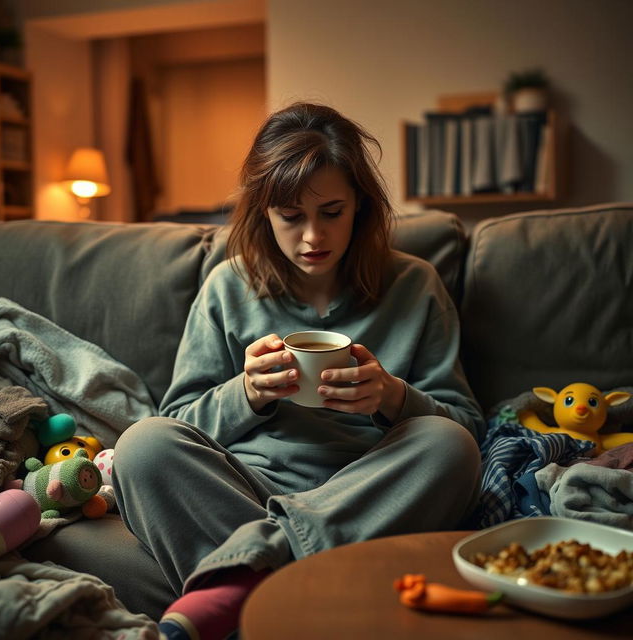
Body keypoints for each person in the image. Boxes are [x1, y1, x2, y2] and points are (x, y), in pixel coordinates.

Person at [113, 102, 485, 640]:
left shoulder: (416, 286)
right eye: (291, 216)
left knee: (449, 446)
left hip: (372, 485)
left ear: (360, 204)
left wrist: (390, 395)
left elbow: (466, 425)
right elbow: (178, 420)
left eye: (331, 212)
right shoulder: (227, 287)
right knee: (143, 445)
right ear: (264, 212)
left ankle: (239, 585)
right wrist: (247, 393)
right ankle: (302, 583)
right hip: (245, 487)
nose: (313, 236)